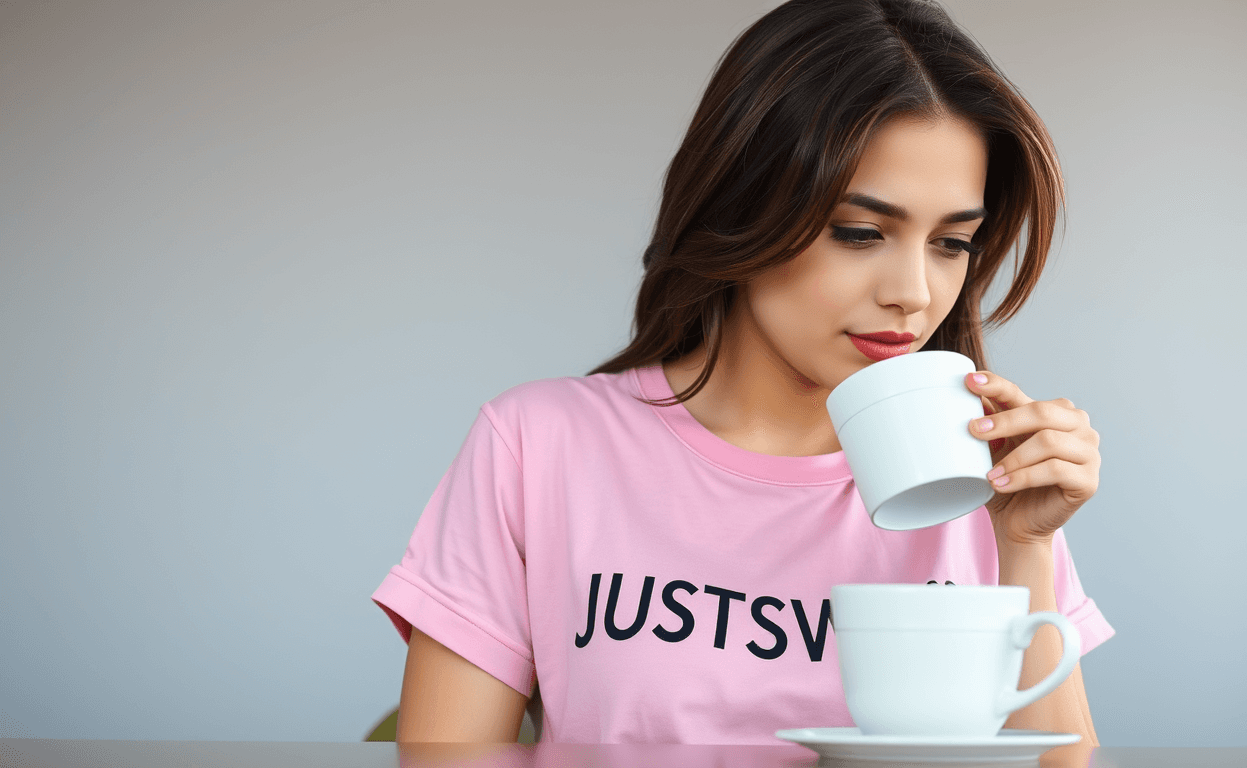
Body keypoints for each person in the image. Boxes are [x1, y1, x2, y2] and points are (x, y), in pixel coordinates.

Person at [372, 0, 1114, 746]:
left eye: (952, 243)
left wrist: (1026, 546)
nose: (914, 292)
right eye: (860, 233)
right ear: (742, 204)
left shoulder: (984, 479)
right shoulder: (536, 446)